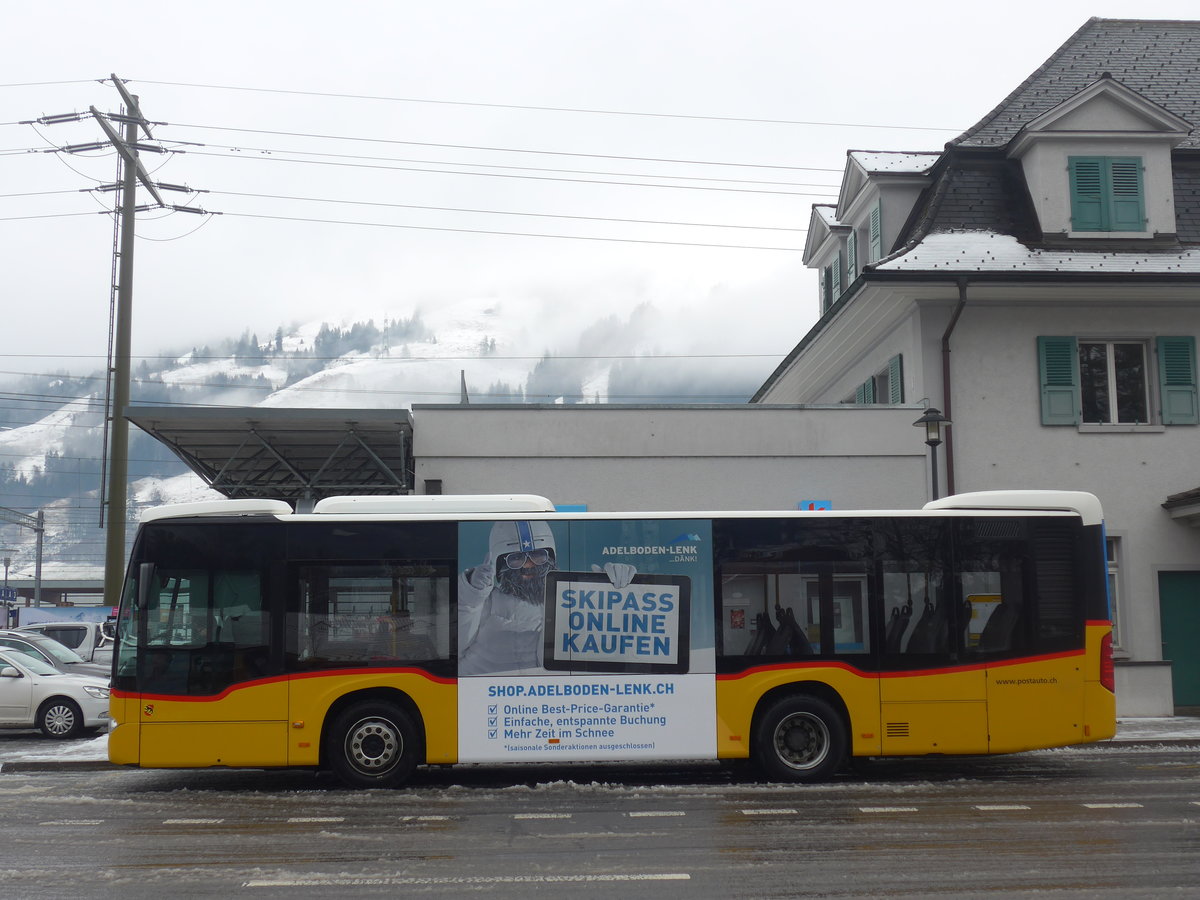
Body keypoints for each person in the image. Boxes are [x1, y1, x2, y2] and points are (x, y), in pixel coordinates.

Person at [458, 521, 634, 675]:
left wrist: (614, 594)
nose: (528, 565)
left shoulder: (572, 601)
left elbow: (612, 645)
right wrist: (471, 592)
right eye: (516, 558)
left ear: (550, 557)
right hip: (483, 699)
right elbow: (454, 641)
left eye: (538, 555)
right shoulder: (484, 602)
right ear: (500, 563)